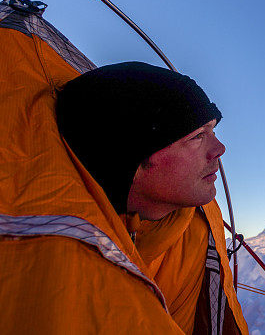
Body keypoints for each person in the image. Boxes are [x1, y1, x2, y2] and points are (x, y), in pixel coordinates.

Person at [53, 61, 249, 334]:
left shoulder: (191, 231)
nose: (219, 148)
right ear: (134, 155)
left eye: (213, 132)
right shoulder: (60, 274)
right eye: (197, 136)